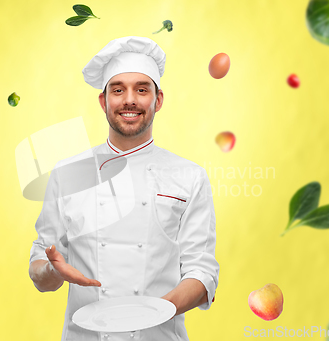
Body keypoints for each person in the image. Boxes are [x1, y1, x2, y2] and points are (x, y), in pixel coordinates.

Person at [28, 36, 219, 341]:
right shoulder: (69, 173)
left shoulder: (189, 176)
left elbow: (202, 273)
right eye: (118, 90)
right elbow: (41, 268)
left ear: (157, 100)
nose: (130, 100)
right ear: (104, 102)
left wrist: (154, 312)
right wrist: (54, 272)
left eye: (142, 89)